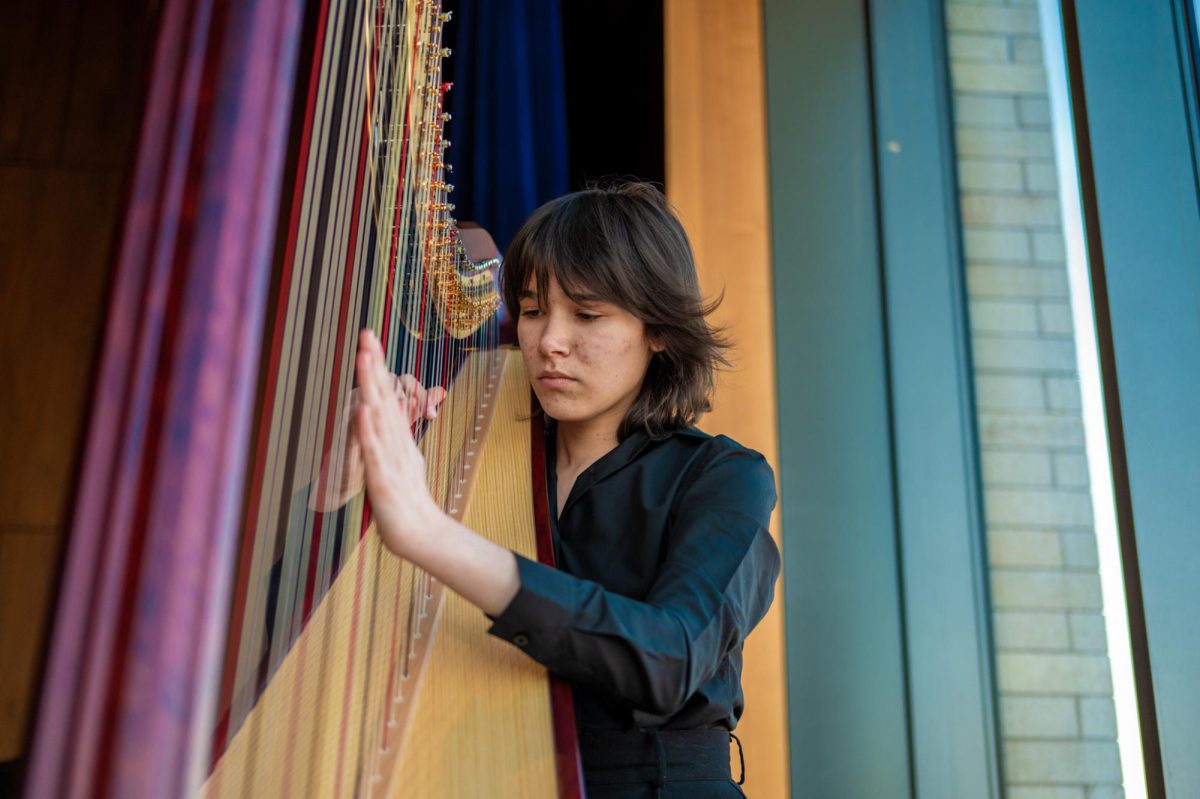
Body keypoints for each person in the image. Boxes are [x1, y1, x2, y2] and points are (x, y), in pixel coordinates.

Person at [351, 182, 780, 798]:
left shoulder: (722, 478)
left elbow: (671, 658)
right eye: (531, 310)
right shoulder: (463, 455)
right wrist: (341, 493)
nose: (549, 341)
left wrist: (432, 535)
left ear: (657, 329)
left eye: (586, 314)